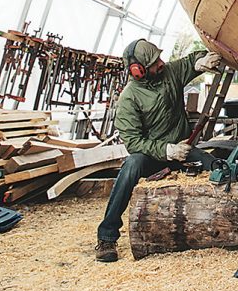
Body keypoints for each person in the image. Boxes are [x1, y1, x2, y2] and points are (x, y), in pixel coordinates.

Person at [95, 38, 221, 262]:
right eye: (154, 62)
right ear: (138, 71)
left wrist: (201, 60)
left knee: (214, 165)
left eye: (159, 58)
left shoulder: (169, 72)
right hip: (152, 156)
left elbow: (189, 61)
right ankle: (107, 236)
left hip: (183, 149)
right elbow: (133, 142)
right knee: (131, 166)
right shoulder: (129, 98)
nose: (161, 63)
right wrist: (166, 150)